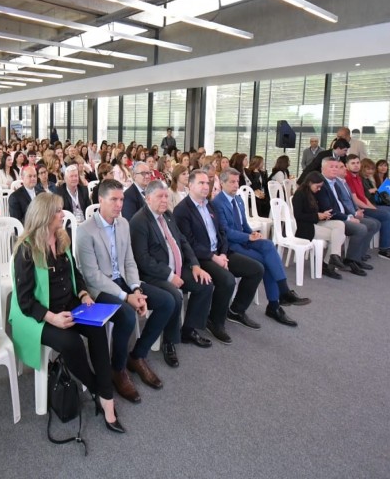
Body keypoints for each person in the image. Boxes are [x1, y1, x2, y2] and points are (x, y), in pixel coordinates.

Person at [9, 193, 124, 433]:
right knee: (71, 343)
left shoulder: (62, 238)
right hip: (38, 315)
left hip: (68, 304)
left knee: (97, 328)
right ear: (44, 216)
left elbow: (75, 273)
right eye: (58, 212)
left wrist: (83, 294)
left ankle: (104, 394)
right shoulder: (26, 249)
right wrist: (52, 317)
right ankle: (99, 391)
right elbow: (25, 300)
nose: (63, 215)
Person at [76, 180, 177, 403]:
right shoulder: (85, 231)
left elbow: (129, 262)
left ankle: (137, 355)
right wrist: (127, 297)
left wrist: (136, 289)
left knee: (167, 301)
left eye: (122, 199)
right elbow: (92, 276)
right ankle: (117, 369)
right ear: (100, 200)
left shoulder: (123, 224)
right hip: (99, 289)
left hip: (123, 281)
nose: (119, 204)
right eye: (114, 199)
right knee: (127, 315)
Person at [129, 181, 215, 368]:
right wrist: (169, 275)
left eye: (166, 196)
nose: (165, 200)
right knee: (174, 296)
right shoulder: (139, 221)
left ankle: (189, 329)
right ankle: (169, 342)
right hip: (154, 275)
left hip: (179, 267)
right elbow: (143, 259)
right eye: (160, 196)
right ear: (148, 198)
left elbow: (183, 241)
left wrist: (195, 265)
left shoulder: (167, 215)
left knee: (205, 283)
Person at [173, 171, 266, 341]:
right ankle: (215, 321)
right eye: (200, 183)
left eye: (207, 183)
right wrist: (214, 257)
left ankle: (236, 310)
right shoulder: (182, 210)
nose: (205, 187)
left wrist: (223, 253)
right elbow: (189, 243)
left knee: (256, 269)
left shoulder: (209, 205)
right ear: (190, 186)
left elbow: (222, 233)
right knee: (227, 280)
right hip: (201, 258)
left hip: (221, 253)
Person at [212, 169, 311, 323]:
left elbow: (244, 224)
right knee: (266, 262)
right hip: (230, 246)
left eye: (237, 181)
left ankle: (282, 292)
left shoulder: (238, 200)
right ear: (222, 183)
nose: (235, 185)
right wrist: (249, 237)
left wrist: (253, 234)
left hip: (244, 239)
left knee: (268, 244)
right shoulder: (218, 203)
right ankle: (275, 303)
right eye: (231, 182)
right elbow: (225, 232)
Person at [314, 158, 375, 276]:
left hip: (342, 216)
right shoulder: (321, 184)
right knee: (360, 228)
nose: (335, 169)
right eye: (331, 167)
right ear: (322, 169)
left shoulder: (336, 183)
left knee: (372, 224)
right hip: (330, 219)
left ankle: (357, 257)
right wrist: (348, 218)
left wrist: (352, 214)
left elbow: (343, 202)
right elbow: (329, 210)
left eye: (337, 167)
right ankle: (351, 260)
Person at [344, 155, 390, 260]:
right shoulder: (349, 178)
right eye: (353, 163)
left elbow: (363, 197)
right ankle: (385, 249)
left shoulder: (358, 178)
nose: (356, 166)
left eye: (357, 163)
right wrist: (370, 208)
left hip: (367, 205)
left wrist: (372, 207)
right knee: (387, 215)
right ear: (347, 166)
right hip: (359, 208)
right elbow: (356, 200)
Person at [291, 171, 348, 279]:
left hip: (314, 222)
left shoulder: (313, 193)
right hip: (305, 227)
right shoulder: (299, 194)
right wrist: (317, 216)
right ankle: (327, 264)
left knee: (340, 224)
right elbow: (298, 216)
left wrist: (323, 215)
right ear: (310, 183)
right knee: (340, 236)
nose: (319, 189)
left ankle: (334, 256)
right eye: (317, 186)